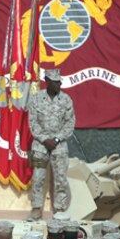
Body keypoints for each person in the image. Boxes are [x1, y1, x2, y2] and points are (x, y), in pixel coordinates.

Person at [27, 68, 75, 220]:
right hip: (40, 145)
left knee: (61, 178)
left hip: (59, 145)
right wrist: (44, 139)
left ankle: (60, 210)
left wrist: (56, 139)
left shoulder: (66, 99)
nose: (58, 84)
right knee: (38, 178)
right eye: (54, 82)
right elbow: (32, 122)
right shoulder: (36, 99)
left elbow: (70, 123)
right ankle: (36, 209)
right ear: (47, 82)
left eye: (59, 82)